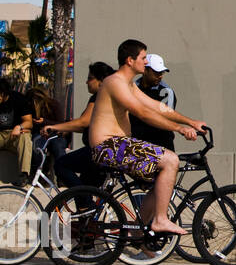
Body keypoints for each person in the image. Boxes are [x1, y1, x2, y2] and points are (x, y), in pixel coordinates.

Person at [87, 39, 206, 236]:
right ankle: (160, 220)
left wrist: (191, 122)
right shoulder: (114, 82)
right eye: (143, 58)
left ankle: (139, 233)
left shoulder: (128, 84)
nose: (146, 62)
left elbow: (157, 107)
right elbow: (142, 112)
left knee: (162, 181)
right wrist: (179, 128)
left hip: (120, 145)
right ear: (130, 60)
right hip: (108, 146)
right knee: (170, 160)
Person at [43, 61, 117, 188]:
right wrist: (66, 129)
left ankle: (85, 205)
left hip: (98, 151)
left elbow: (84, 122)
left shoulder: (98, 96)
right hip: (106, 151)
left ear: (101, 81)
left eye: (90, 78)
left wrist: (54, 127)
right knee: (86, 189)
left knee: (61, 164)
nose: (86, 82)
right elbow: (89, 126)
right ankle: (87, 205)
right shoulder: (109, 97)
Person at [131, 54, 177, 152]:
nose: (160, 76)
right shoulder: (132, 88)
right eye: (156, 72)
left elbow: (166, 119)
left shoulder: (166, 92)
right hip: (136, 146)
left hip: (161, 146)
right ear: (145, 70)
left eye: (162, 72)